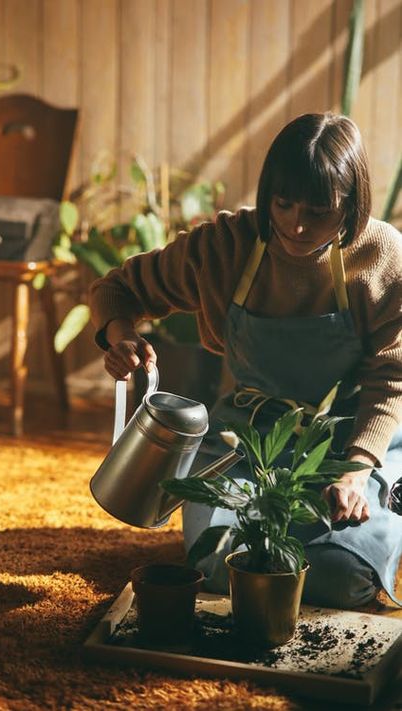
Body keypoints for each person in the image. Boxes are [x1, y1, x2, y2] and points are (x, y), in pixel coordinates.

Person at [89, 112, 402, 609]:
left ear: (351, 205)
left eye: (318, 211)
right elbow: (117, 288)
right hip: (242, 441)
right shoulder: (226, 245)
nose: (296, 225)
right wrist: (120, 335)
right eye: (283, 204)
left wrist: (357, 470)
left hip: (351, 443)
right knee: (224, 563)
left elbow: (393, 378)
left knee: (339, 577)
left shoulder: (382, 254)